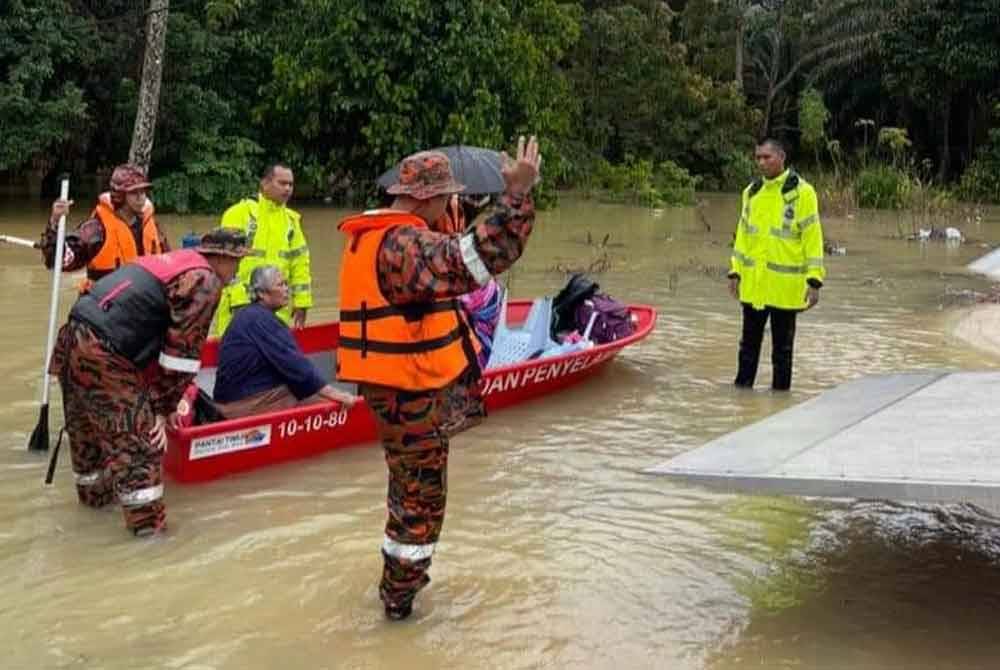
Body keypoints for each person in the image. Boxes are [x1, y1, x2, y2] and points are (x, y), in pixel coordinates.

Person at [336, 136, 542, 620]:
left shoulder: (384, 234)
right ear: (429, 198)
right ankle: (398, 605)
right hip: (409, 393)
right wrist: (516, 197)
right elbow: (475, 258)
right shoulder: (406, 246)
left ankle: (400, 586)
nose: (454, 204)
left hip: (396, 388)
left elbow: (449, 247)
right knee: (420, 501)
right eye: (448, 197)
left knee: (408, 491)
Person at [49, 229, 249, 537]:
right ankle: (150, 538)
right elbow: (182, 355)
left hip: (73, 338)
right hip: (106, 352)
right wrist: (160, 409)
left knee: (88, 440)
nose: (235, 273)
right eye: (236, 264)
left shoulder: (167, 262)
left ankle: (92, 516)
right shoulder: (205, 280)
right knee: (143, 448)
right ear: (223, 257)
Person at [727, 138, 825, 391]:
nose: (761, 162)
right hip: (754, 285)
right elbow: (742, 236)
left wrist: (814, 280)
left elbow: (812, 237)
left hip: (785, 287)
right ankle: (741, 395)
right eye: (758, 157)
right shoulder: (752, 192)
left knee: (782, 350)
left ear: (781, 157)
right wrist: (735, 271)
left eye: (766, 157)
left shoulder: (801, 192)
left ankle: (781, 401)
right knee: (747, 346)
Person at [212, 265, 357, 419]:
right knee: (324, 401)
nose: (287, 289)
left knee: (302, 389)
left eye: (286, 284)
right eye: (280, 285)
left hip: (236, 398)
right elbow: (296, 366)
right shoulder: (261, 319)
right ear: (262, 293)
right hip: (243, 404)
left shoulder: (250, 315)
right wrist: (338, 395)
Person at [213, 163, 313, 336]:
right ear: (265, 184)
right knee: (239, 355)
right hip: (239, 306)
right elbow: (225, 261)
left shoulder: (291, 221)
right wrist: (238, 300)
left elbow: (300, 264)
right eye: (282, 183)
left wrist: (301, 302)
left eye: (290, 184)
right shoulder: (240, 213)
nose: (288, 189)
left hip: (277, 310)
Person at [41, 163, 170, 293]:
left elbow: (168, 265)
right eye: (133, 192)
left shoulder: (152, 225)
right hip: (106, 306)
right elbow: (58, 261)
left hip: (142, 302)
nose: (140, 197)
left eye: (143, 191)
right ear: (120, 196)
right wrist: (55, 221)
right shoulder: (96, 229)